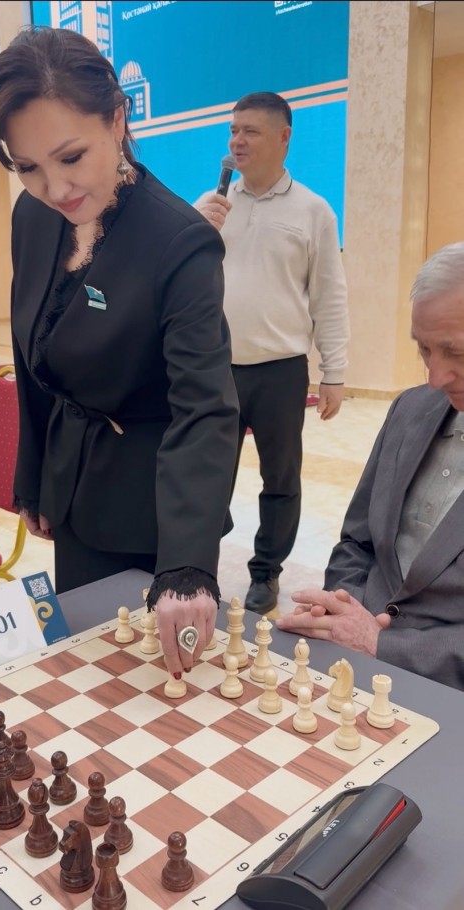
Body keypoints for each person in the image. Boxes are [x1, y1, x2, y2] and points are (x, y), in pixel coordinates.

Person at [0, 26, 239, 677]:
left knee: (150, 692)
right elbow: (30, 354)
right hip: (71, 489)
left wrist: (186, 566)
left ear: (118, 119)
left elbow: (204, 407)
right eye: (27, 168)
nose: (55, 188)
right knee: (85, 678)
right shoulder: (32, 217)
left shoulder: (177, 241)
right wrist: (33, 476)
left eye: (71, 156)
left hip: (152, 505)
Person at [277, 242, 464, 691]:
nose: (435, 377)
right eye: (424, 350)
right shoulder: (411, 408)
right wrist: (343, 609)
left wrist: (381, 644)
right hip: (354, 661)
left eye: (456, 352)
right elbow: (357, 541)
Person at [196, 92, 349, 615]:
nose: (237, 141)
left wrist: (334, 371)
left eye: (250, 131)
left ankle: (266, 572)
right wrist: (194, 230)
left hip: (281, 370)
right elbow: (177, 280)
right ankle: (199, 564)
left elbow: (329, 295)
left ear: (284, 138)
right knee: (206, 473)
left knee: (280, 479)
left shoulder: (312, 210)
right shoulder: (213, 203)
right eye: (233, 130)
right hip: (216, 367)